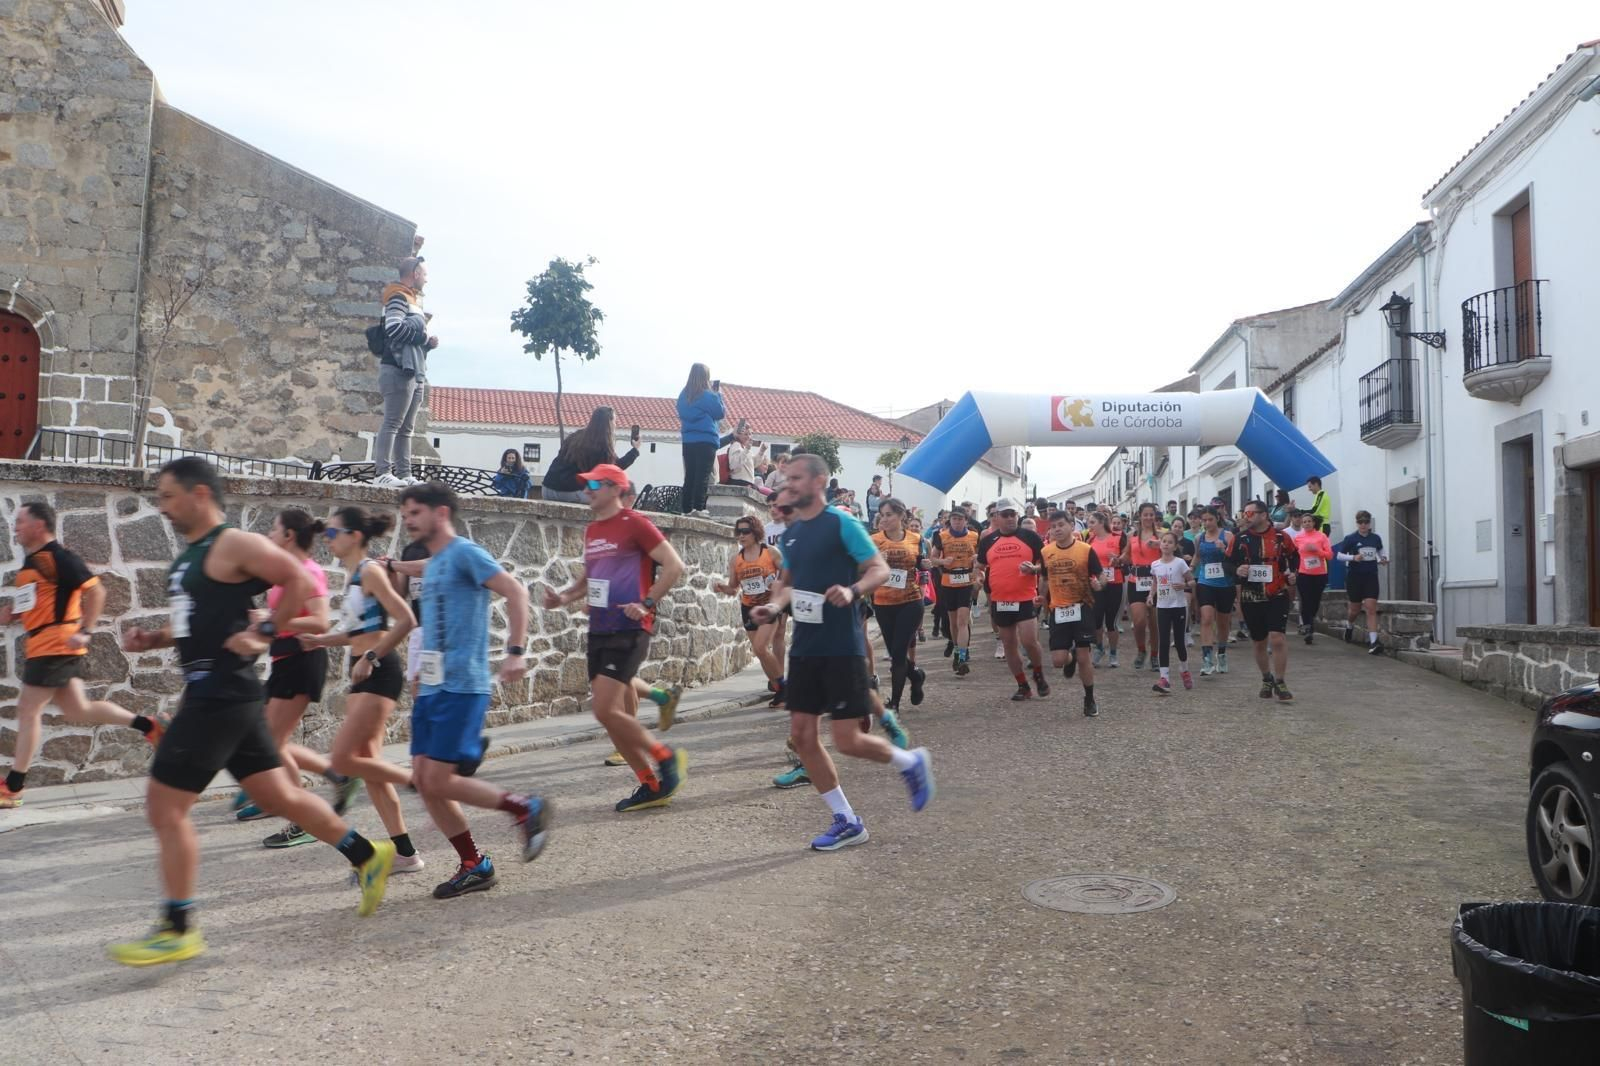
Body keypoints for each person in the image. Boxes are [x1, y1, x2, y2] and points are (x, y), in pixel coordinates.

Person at [109, 459, 395, 966]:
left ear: (200, 494)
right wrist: (154, 637)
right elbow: (198, 621)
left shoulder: (231, 543)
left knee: (164, 806)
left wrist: (263, 634)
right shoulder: (194, 554)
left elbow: (299, 582)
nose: (162, 505)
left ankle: (177, 927)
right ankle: (368, 855)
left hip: (218, 694)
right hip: (226, 693)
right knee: (277, 794)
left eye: (168, 495)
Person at [750, 454, 934, 851]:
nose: (789, 483)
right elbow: (787, 582)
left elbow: (878, 568)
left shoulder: (842, 522)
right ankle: (847, 820)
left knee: (848, 740)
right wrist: (775, 605)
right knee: (802, 736)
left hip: (841, 646)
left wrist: (852, 590)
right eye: (787, 478)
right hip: (805, 648)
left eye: (796, 478)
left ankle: (910, 762)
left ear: (819, 482)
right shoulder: (794, 532)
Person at [391, 482, 550, 899]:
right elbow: (416, 573)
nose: (407, 520)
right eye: (405, 513)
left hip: (463, 684)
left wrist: (515, 651)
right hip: (432, 687)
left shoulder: (465, 553)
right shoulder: (437, 561)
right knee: (426, 782)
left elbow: (517, 591)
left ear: (440, 513)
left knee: (439, 780)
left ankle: (523, 806)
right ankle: (474, 864)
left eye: (414, 512)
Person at [542, 464, 689, 812]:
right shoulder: (593, 530)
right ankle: (650, 785)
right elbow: (590, 576)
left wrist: (646, 602)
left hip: (629, 627)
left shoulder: (635, 524)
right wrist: (564, 598)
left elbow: (674, 566)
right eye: (586, 484)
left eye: (594, 483)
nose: (587, 489)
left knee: (605, 708)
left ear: (615, 487)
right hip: (600, 628)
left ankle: (665, 758)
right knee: (607, 716)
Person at [0, 502, 163, 809]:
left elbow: (96, 592)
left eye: (20, 521)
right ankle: (149, 726)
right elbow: (30, 607)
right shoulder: (31, 563)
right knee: (78, 709)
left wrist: (85, 630)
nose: (15, 527)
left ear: (38, 525)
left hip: (56, 643)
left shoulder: (59, 557)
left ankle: (14, 787)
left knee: (27, 710)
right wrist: (10, 614)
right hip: (44, 643)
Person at [295, 507, 424, 872]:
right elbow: (357, 630)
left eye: (333, 533)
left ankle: (421, 782)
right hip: (362, 669)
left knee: (343, 760)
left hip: (379, 669)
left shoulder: (370, 571)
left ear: (354, 536)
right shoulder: (354, 576)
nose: (327, 539)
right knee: (369, 769)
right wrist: (322, 641)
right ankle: (406, 854)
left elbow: (406, 620)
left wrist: (370, 655)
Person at [246, 509, 356, 839]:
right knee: (268, 740)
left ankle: (304, 818)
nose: (268, 535)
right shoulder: (284, 573)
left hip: (301, 658)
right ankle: (333, 777)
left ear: (289, 535)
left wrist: (272, 619)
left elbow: (320, 622)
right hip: (283, 658)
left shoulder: (309, 571)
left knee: (271, 744)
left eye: (273, 528)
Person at [374, 255, 438, 487]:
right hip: (398, 369)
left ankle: (403, 473)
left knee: (407, 428)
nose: (427, 280)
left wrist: (426, 345)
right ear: (415, 274)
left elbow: (407, 340)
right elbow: (393, 328)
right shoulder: (398, 297)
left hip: (413, 370)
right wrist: (422, 336)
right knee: (393, 422)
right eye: (425, 274)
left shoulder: (409, 300)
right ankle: (382, 472)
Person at [977, 498, 1049, 702]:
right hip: (1000, 600)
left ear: (1017, 516)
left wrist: (1033, 569)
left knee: (1029, 641)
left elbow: (1045, 566)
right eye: (1005, 515)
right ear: (996, 518)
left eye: (1013, 514)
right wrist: (978, 578)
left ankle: (1038, 673)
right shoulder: (987, 541)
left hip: (1025, 597)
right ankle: (1022, 685)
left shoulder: (1030, 537)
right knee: (1009, 644)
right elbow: (980, 567)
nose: (1009, 518)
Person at [1229, 499, 1299, 703]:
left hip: (1277, 592)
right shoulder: (1239, 538)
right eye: (1244, 513)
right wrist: (1237, 570)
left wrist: (1292, 574)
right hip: (1251, 595)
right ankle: (1266, 678)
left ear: (1263, 515)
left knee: (1277, 637)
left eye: (1250, 513)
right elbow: (1227, 562)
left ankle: (1280, 680)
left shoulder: (1281, 537)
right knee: (1259, 641)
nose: (1245, 517)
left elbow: (1294, 557)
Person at [716, 516, 786, 704]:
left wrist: (779, 586)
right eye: (738, 532)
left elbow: (788, 572)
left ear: (755, 532)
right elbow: (734, 588)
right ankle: (779, 688)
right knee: (759, 652)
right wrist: (724, 588)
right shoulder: (736, 560)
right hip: (748, 608)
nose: (741, 536)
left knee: (760, 647)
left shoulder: (770, 553)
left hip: (769, 607)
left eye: (745, 531)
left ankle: (784, 687)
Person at [1040, 510, 1103, 716]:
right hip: (1058, 608)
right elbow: (1045, 579)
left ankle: (1089, 698)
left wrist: (1097, 585)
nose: (1057, 529)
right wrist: (1041, 598)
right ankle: (1071, 657)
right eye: (1054, 526)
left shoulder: (1085, 550)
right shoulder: (1046, 552)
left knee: (1085, 656)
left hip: (1082, 606)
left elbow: (1102, 578)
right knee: (1058, 660)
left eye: (1061, 525)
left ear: (1071, 526)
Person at [869, 498, 927, 713]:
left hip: (910, 602)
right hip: (883, 602)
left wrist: (926, 564)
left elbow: (920, 562)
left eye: (889, 515)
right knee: (897, 652)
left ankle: (894, 703)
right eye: (882, 515)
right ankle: (915, 675)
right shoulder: (874, 540)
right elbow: (863, 568)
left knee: (898, 652)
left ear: (901, 516)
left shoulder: (916, 538)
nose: (884, 519)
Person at [542, 407, 641, 504]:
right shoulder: (602, 444)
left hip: (546, 489)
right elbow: (614, 468)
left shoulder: (576, 436)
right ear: (609, 423)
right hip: (568, 491)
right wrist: (634, 451)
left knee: (598, 486)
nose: (615, 425)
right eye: (614, 421)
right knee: (610, 497)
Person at [930, 508, 980, 675]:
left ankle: (962, 657)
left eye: (960, 519)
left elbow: (982, 558)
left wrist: (977, 560)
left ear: (966, 521)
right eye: (954, 519)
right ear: (950, 521)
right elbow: (932, 559)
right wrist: (943, 560)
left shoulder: (974, 536)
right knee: (952, 622)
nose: (957, 522)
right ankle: (957, 650)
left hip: (966, 580)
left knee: (962, 621)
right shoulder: (941, 536)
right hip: (948, 581)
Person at [1336, 510, 1388, 654]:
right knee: (1355, 610)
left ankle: (1373, 642)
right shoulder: (1351, 538)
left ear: (1369, 523)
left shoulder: (1375, 538)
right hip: (1355, 577)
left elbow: (1381, 552)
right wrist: (1353, 558)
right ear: (1357, 523)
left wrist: (1383, 559)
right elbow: (1339, 556)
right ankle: (1349, 625)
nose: (1363, 525)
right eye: (1360, 522)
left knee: (1371, 608)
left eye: (1366, 522)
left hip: (1371, 576)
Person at [1193, 507, 1236, 677]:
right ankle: (1206, 659)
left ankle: (1222, 653)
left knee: (1223, 622)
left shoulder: (1228, 536)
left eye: (1210, 519)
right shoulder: (1199, 537)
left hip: (1225, 584)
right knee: (1206, 618)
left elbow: (1235, 558)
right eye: (1204, 520)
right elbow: (1197, 555)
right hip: (1205, 582)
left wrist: (1224, 549)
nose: (1207, 523)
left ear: (1217, 519)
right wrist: (1189, 569)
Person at [677, 365, 725, 517]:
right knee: (702, 475)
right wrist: (718, 395)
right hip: (706, 440)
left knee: (690, 475)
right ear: (706, 377)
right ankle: (698, 507)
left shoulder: (683, 396)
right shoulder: (707, 395)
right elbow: (720, 412)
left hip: (688, 440)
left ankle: (686, 508)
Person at [1150, 532, 1195, 695]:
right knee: (1163, 641)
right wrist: (1150, 595)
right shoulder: (1155, 564)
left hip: (1178, 606)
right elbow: (1155, 583)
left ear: (1175, 546)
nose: (1166, 544)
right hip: (1162, 606)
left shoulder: (1180, 563)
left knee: (1179, 642)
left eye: (1170, 542)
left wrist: (1184, 585)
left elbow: (1192, 581)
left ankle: (1184, 670)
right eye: (1164, 541)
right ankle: (1164, 678)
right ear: (1160, 544)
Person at [1125, 503, 1164, 672]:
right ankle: (1141, 650)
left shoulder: (1162, 535)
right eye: (1145, 515)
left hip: (1157, 582)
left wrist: (1161, 546)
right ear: (1139, 516)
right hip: (1136, 581)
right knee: (1139, 621)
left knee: (1155, 622)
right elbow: (1127, 556)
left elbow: (1173, 552)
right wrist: (1116, 560)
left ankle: (1155, 655)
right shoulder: (1131, 535)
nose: (1148, 518)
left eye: (1151, 515)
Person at [1085, 511, 1125, 670]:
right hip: (1096, 584)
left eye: (1092, 522)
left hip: (1115, 583)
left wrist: (1118, 561)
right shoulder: (1090, 540)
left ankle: (1113, 653)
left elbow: (1126, 559)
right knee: (1096, 620)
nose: (1090, 525)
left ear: (1102, 522)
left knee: (1111, 622)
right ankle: (1099, 648)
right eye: (1089, 522)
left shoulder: (1118, 538)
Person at [1294, 512, 1333, 643]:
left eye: (1309, 521)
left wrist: (1316, 550)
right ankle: (1308, 628)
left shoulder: (1321, 537)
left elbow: (1329, 556)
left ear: (1314, 523)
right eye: (1304, 522)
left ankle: (1310, 622)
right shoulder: (1298, 538)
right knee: (1305, 601)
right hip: (1303, 574)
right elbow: (1293, 555)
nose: (1306, 523)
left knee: (1315, 602)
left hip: (1319, 574)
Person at [726, 423, 767, 488]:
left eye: (750, 434)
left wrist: (761, 452)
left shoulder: (745, 447)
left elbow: (753, 464)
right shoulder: (736, 445)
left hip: (747, 482)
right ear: (738, 435)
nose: (749, 437)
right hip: (739, 482)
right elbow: (734, 465)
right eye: (746, 434)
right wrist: (747, 450)